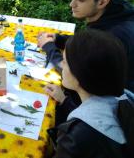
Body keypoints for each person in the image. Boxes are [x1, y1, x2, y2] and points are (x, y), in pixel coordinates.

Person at [37, 0, 134, 123]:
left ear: (103, 1)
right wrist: (59, 39)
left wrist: (49, 47)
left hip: (109, 114)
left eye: (80, 0)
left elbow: (75, 74)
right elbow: (88, 45)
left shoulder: (112, 37)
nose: (71, 4)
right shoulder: (114, 12)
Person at [52, 29, 133, 158]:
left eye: (65, 61)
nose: (61, 64)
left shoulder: (74, 137)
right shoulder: (126, 99)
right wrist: (64, 101)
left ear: (80, 75)